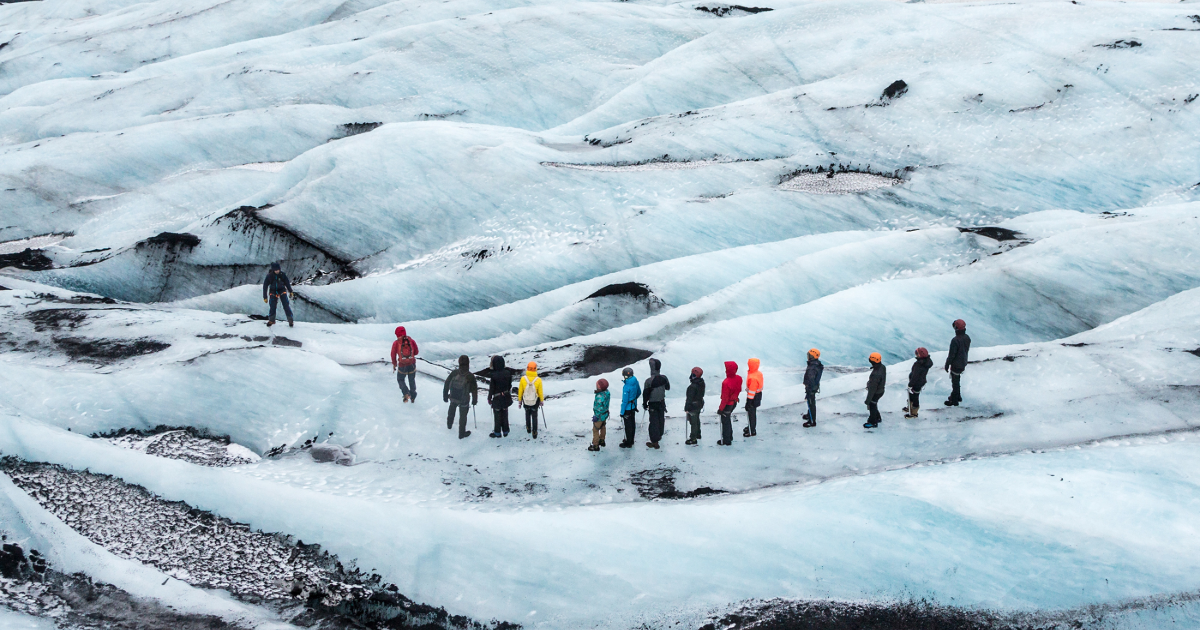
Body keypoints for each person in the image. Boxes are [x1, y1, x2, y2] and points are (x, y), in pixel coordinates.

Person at [442, 355, 477, 439]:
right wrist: (474, 400)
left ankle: (449, 425)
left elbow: (447, 383)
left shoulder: (454, 373)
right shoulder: (470, 376)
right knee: (463, 416)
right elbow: (474, 389)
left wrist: (445, 395)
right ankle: (461, 433)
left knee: (452, 409)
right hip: (464, 399)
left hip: (453, 396)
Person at [642, 358, 670, 449]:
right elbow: (667, 387)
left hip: (653, 404)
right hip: (662, 402)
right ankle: (660, 435)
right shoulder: (664, 378)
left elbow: (645, 394)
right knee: (661, 419)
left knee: (653, 422)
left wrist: (644, 403)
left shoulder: (649, 381)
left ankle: (655, 441)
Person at [944, 319, 971, 406]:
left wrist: (947, 364)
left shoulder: (955, 340)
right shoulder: (967, 338)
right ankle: (957, 396)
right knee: (957, 379)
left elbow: (952, 354)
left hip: (956, 364)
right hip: (963, 362)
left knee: (955, 381)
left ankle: (954, 400)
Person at [487, 355, 514, 437]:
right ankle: (506, 431)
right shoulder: (508, 373)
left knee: (497, 414)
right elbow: (510, 385)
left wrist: (489, 398)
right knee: (505, 413)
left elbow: (492, 388)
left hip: (497, 397)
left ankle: (497, 432)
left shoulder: (493, 375)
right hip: (506, 396)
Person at [390, 326, 419, 403]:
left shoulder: (396, 343)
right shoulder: (411, 341)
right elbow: (416, 352)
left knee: (400, 379)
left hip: (402, 365)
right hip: (412, 364)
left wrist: (394, 364)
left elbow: (393, 355)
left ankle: (406, 393)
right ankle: (413, 397)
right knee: (411, 380)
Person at [262, 262, 294, 327]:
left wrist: (290, 291)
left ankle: (290, 320)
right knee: (272, 306)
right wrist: (265, 297)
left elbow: (287, 283)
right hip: (273, 291)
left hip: (282, 290)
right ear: (273, 270)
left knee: (286, 305)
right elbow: (265, 286)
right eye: (276, 270)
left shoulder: (282, 275)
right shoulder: (270, 276)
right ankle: (271, 320)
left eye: (278, 270)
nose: (277, 271)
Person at [717, 361, 741, 446]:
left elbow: (725, 398)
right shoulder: (739, 378)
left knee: (725, 421)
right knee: (728, 419)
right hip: (734, 402)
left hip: (727, 405)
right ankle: (729, 436)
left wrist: (720, 409)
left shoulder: (726, 382)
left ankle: (726, 440)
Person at [905, 347, 933, 418]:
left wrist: (910, 384)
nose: (916, 354)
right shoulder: (926, 362)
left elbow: (915, 376)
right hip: (921, 382)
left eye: (917, 353)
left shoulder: (918, 365)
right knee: (914, 396)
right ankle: (910, 408)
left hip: (916, 383)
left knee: (914, 397)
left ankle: (913, 413)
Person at [518, 362, 544, 438]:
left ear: (527, 368)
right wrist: (541, 401)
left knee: (527, 414)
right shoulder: (538, 380)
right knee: (534, 416)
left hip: (525, 401)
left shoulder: (523, 379)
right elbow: (540, 392)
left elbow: (520, 391)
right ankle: (534, 432)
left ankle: (528, 428)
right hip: (535, 401)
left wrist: (520, 401)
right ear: (536, 369)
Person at [618, 367, 641, 448]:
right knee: (632, 423)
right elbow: (639, 392)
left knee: (628, 426)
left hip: (627, 408)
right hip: (633, 406)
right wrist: (633, 399)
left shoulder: (626, 387)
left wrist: (622, 412)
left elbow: (624, 401)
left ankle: (628, 442)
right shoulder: (635, 381)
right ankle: (631, 440)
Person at [802, 349, 823, 428]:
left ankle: (812, 421)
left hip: (811, 388)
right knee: (811, 402)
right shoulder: (816, 364)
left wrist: (809, 389)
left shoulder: (812, 367)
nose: (808, 356)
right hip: (814, 386)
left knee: (811, 403)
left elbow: (811, 379)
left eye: (809, 355)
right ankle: (809, 415)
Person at [683, 367, 705, 445]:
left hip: (693, 405)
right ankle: (698, 433)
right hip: (699, 403)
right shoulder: (701, 383)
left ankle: (693, 438)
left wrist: (686, 407)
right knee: (697, 419)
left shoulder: (692, 387)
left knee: (693, 422)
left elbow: (689, 398)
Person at [864, 352, 885, 429]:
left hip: (876, 392)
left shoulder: (875, 374)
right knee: (874, 404)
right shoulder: (882, 367)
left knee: (872, 405)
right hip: (881, 390)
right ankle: (878, 418)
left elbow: (872, 389)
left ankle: (873, 422)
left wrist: (867, 400)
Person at [743, 358, 763, 438]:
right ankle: (751, 427)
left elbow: (752, 391)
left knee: (751, 413)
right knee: (752, 413)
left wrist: (748, 402)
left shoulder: (752, 377)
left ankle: (752, 430)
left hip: (753, 397)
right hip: (758, 395)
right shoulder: (758, 373)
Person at [589, 378, 611, 452]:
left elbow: (598, 408)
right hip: (605, 414)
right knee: (603, 426)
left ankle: (595, 445)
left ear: (599, 386)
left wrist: (596, 416)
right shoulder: (607, 393)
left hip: (600, 415)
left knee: (595, 429)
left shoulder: (599, 396)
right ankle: (602, 440)